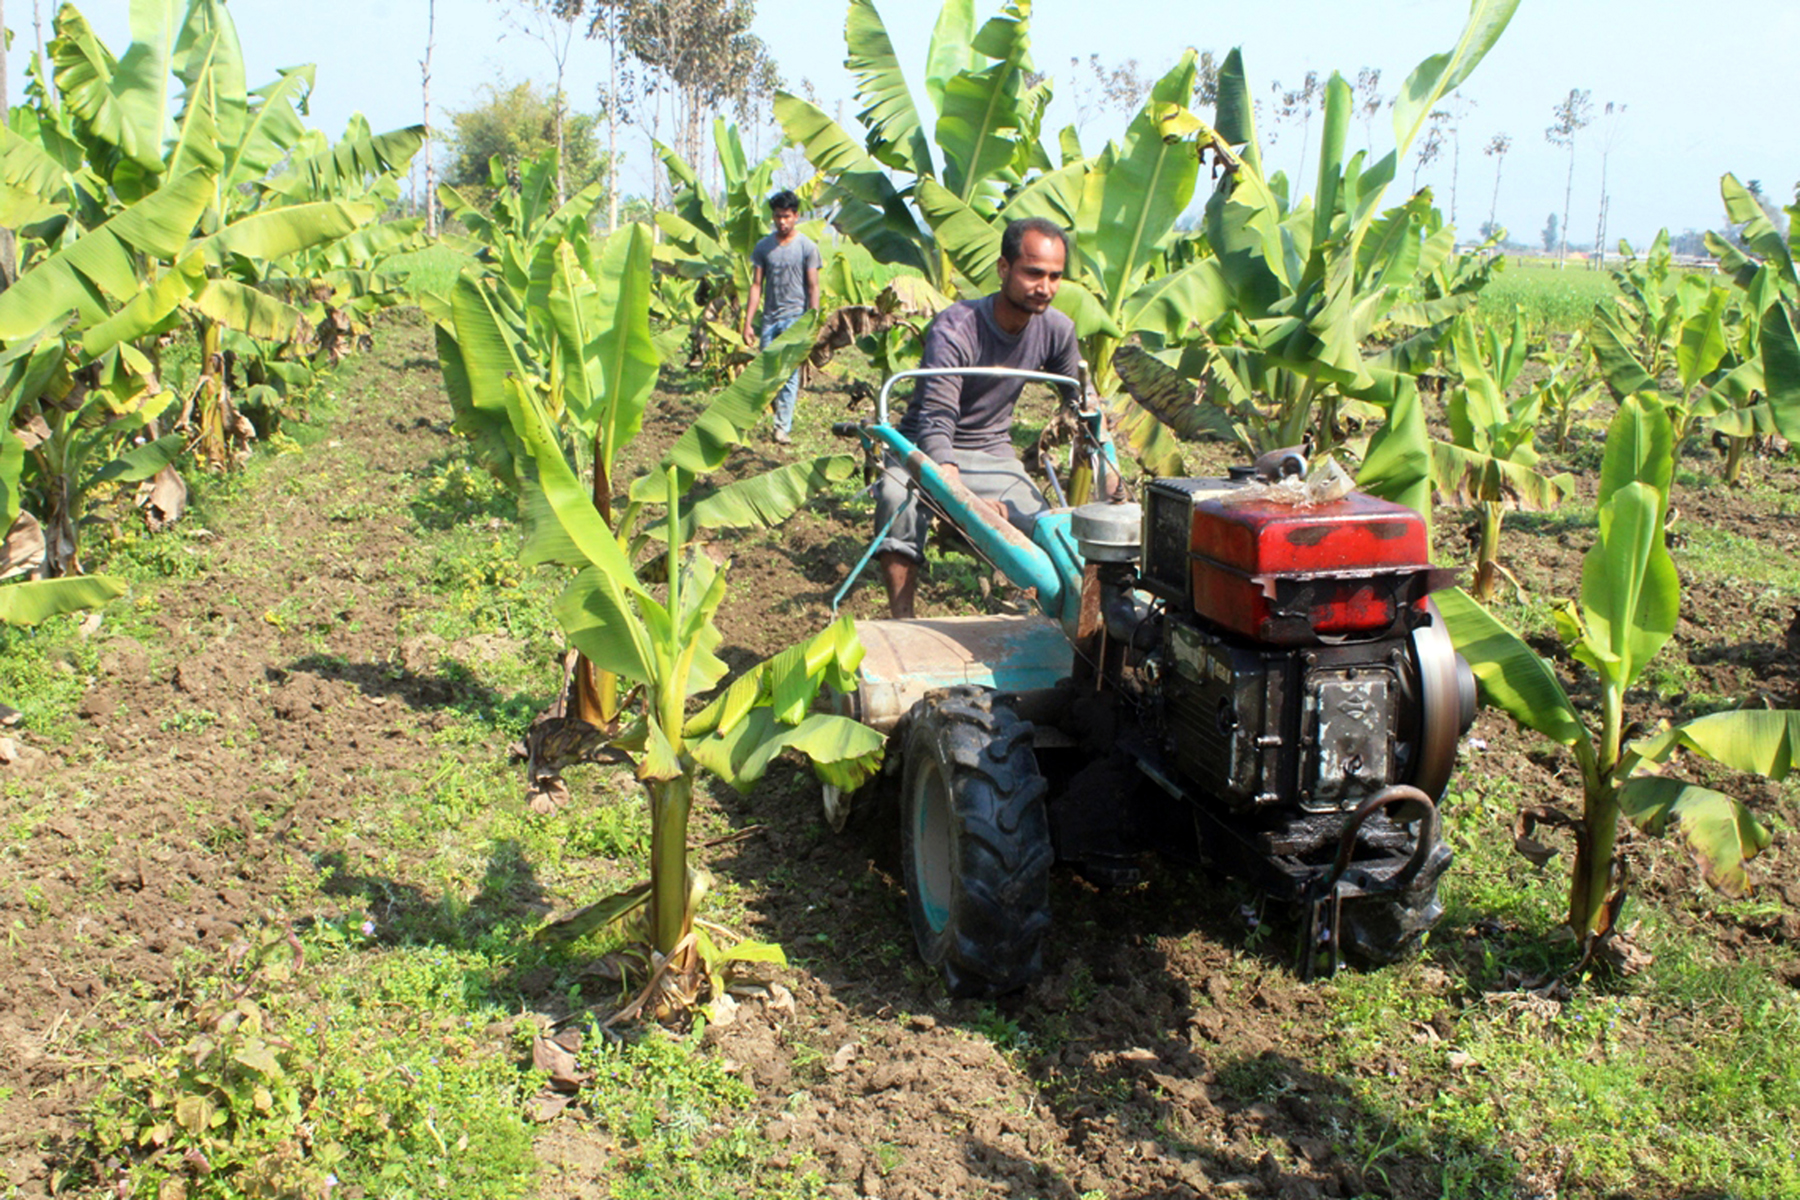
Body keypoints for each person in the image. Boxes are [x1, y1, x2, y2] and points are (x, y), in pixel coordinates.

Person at [873, 217, 1081, 619]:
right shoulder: (958, 325)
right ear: (1004, 269)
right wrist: (952, 491)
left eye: (1055, 276)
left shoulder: (1057, 330)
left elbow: (1083, 402)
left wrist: (1107, 471)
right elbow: (937, 413)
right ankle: (903, 618)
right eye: (1033, 273)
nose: (1046, 287)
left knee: (1045, 525)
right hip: (924, 446)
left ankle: (1035, 619)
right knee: (896, 500)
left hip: (991, 450)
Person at [741, 189, 821, 444]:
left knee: (788, 373)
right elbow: (756, 286)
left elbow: (813, 287)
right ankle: (754, 421)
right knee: (766, 373)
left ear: (796, 216)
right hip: (769, 319)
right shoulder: (764, 247)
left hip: (795, 318)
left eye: (787, 216)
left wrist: (812, 321)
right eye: (777, 217)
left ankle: (781, 427)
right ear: (772, 217)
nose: (782, 222)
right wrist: (747, 322)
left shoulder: (807, 247)